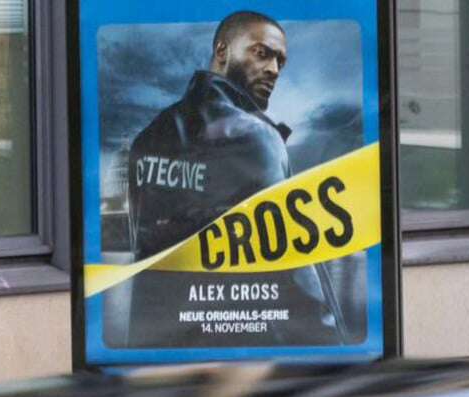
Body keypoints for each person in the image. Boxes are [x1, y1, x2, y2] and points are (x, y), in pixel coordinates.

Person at [122, 10, 351, 348]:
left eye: (280, 62)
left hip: (161, 346)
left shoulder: (147, 139)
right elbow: (295, 271)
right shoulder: (256, 136)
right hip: (248, 348)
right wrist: (337, 357)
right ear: (222, 51)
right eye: (262, 53)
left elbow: (145, 253)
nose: (273, 69)